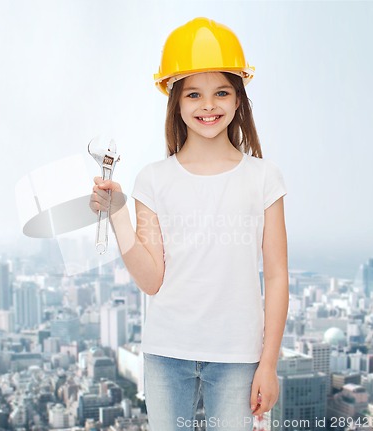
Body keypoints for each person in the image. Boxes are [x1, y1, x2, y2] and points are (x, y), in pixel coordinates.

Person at [89, 17, 289, 431]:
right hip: (166, 351)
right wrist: (117, 213)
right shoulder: (153, 179)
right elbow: (152, 279)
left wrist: (268, 363)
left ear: (239, 100)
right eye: (193, 94)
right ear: (176, 102)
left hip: (239, 355)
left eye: (221, 92)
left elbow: (276, 275)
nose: (208, 105)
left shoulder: (264, 178)